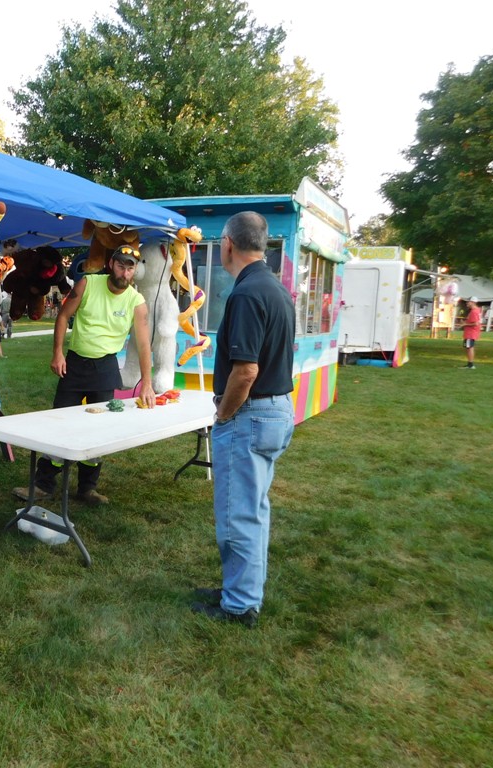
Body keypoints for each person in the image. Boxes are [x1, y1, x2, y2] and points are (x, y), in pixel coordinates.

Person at [191, 212, 295, 628]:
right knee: (253, 510)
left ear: (228, 245)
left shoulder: (247, 293)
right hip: (275, 410)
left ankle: (239, 605)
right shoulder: (275, 288)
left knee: (238, 515)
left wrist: (223, 413)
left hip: (250, 414)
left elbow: (246, 371)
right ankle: (242, 591)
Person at [12, 245, 156, 506]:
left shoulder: (136, 302)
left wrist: (147, 382)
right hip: (75, 364)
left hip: (106, 369)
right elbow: (63, 316)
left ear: (135, 270)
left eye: (130, 268)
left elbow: (144, 344)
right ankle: (43, 485)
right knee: (59, 423)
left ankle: (87, 488)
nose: (125, 272)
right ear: (111, 264)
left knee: (98, 430)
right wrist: (58, 353)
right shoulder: (87, 283)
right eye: (121, 266)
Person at [461, 296, 482, 368]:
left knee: (470, 348)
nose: (467, 303)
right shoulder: (477, 310)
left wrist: (465, 324)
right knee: (469, 347)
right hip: (471, 332)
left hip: (471, 333)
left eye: (468, 302)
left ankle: (470, 364)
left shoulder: (474, 311)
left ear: (473, 302)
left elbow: (476, 323)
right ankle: (470, 364)